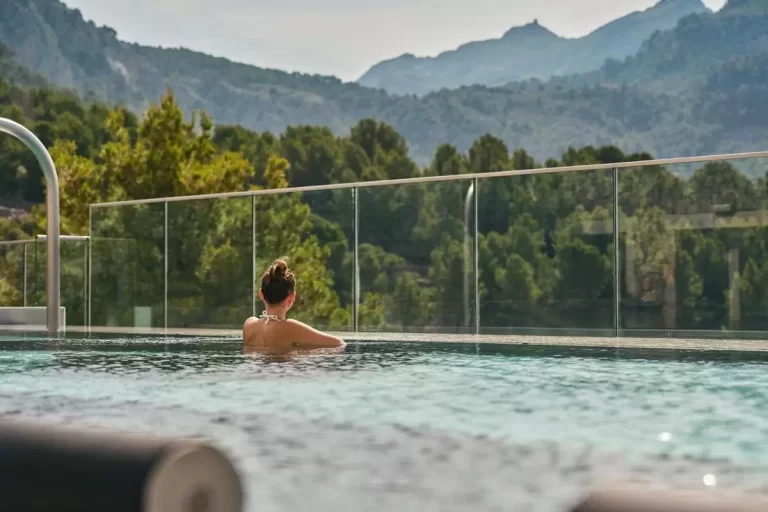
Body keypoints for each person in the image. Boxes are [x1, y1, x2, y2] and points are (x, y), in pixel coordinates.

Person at [243, 258, 346, 353]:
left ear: (261, 294)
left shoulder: (249, 325)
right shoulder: (290, 327)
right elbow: (339, 344)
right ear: (292, 297)